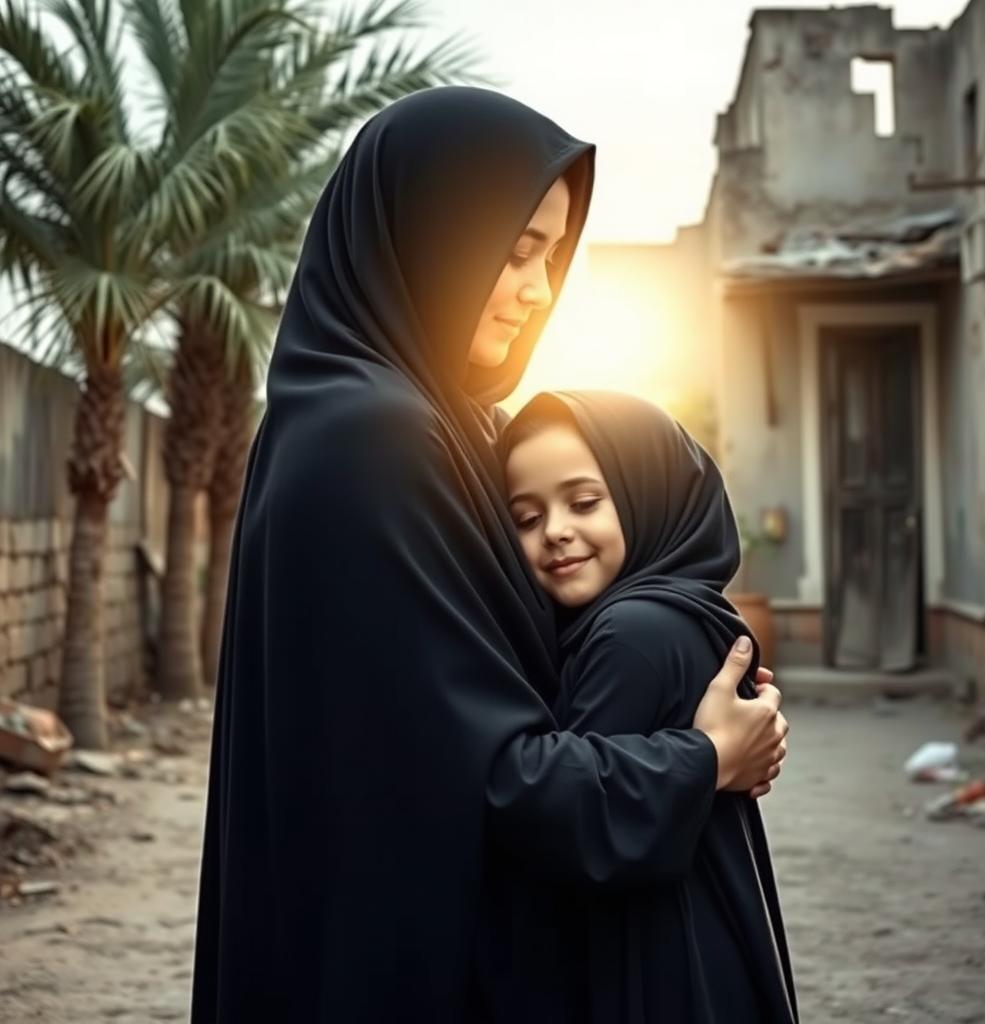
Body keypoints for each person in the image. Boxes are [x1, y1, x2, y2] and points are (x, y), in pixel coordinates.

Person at [190, 87, 788, 1022]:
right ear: (431, 240)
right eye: (514, 253)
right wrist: (702, 761)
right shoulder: (372, 440)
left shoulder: (404, 422)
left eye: (551, 256)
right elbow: (490, 777)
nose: (541, 288)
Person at [502, 390, 798, 1023]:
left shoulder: (632, 631)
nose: (555, 530)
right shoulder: (679, 610)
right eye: (525, 519)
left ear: (646, 493)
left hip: (658, 963)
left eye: (584, 502)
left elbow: (573, 828)